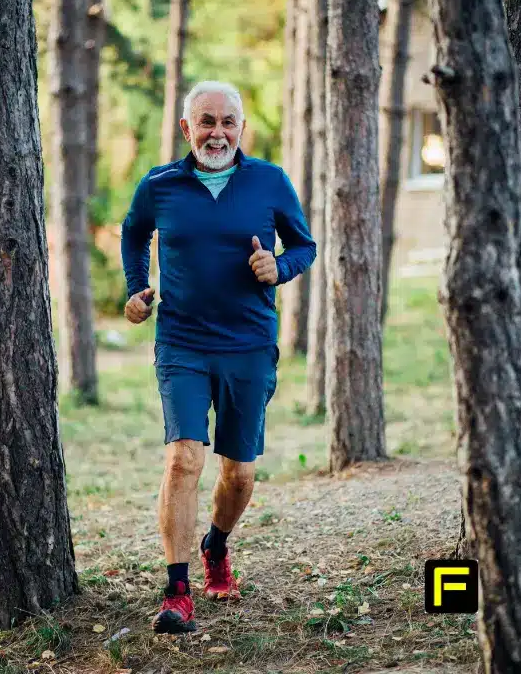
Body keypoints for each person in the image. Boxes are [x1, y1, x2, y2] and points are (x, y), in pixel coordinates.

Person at [121, 81, 316, 634]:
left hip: (249, 344)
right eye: (206, 121)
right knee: (184, 457)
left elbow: (305, 245)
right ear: (187, 128)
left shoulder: (270, 182)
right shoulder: (159, 185)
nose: (217, 132)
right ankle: (176, 590)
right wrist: (137, 289)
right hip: (181, 342)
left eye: (228, 121)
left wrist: (279, 267)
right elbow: (134, 233)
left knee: (240, 473)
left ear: (242, 127)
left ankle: (216, 544)